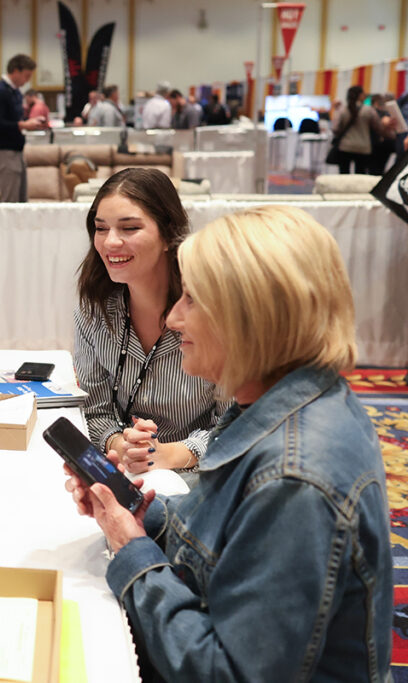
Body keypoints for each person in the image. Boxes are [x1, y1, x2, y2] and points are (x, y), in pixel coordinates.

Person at [64, 205, 391, 681]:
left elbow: (225, 673)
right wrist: (131, 509)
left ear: (250, 318)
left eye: (192, 300)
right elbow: (221, 534)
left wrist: (133, 552)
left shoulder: (294, 480)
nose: (174, 318)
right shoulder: (275, 402)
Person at [74, 168, 228, 473]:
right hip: (125, 469)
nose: (110, 242)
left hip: (205, 475)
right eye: (101, 228)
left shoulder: (213, 310)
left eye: (129, 228)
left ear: (169, 234)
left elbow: (238, 425)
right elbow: (94, 411)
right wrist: (121, 444)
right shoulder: (95, 307)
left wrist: (171, 454)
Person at [0, 53, 47, 202]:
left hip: (16, 152)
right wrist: (23, 125)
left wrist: (29, 121)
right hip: (4, 153)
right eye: (26, 76)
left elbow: (14, 120)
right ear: (15, 71)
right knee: (10, 203)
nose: (27, 80)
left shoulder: (15, 92)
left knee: (21, 202)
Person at [334, 84, 382, 174]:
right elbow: (378, 127)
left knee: (343, 174)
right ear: (360, 95)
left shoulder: (342, 109)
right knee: (360, 174)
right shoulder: (369, 110)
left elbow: (335, 128)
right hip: (363, 146)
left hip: (345, 146)